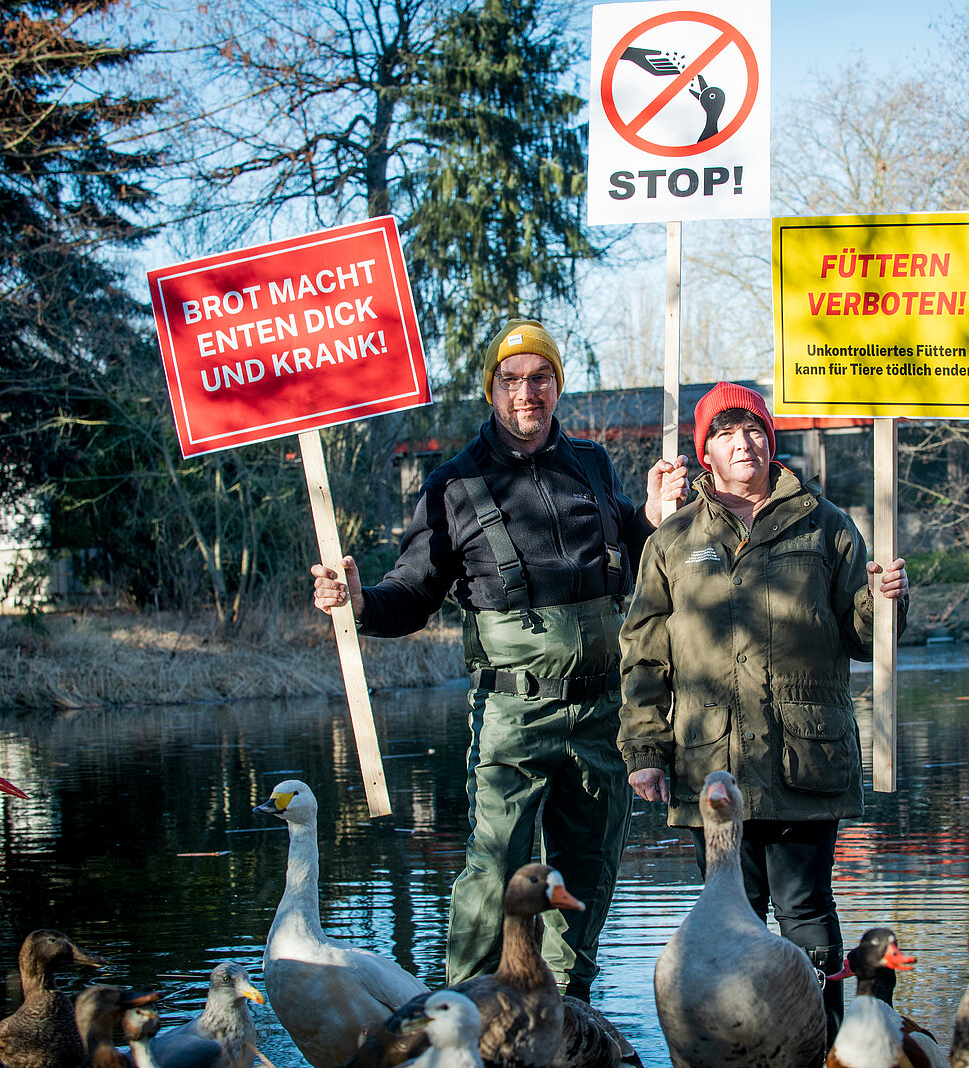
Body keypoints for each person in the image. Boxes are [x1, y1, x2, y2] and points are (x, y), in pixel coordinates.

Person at [310, 318, 686, 998]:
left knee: (590, 869)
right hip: (512, 714)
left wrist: (654, 517)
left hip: (602, 711)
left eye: (539, 377)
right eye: (510, 379)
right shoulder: (454, 483)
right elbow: (412, 593)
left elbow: (634, 553)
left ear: (556, 386)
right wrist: (361, 602)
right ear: (491, 387)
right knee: (495, 866)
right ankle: (472, 1011)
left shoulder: (592, 465)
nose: (526, 392)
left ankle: (568, 1008)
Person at [617, 380, 907, 1045]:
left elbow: (865, 640)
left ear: (770, 441)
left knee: (807, 916)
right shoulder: (672, 539)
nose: (741, 443)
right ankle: (741, 1053)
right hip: (708, 766)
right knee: (730, 925)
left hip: (805, 761)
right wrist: (643, 751)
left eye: (752, 431)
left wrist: (884, 600)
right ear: (705, 454)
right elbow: (643, 653)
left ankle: (828, 1052)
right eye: (724, 433)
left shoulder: (826, 524)